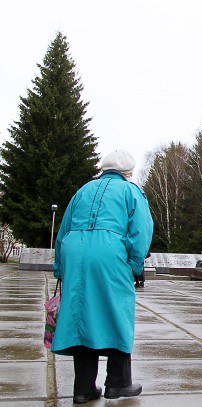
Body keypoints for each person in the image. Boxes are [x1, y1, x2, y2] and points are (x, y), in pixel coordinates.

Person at [51, 150, 153, 403]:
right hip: (110, 253)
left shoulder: (82, 191)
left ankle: (83, 388)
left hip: (75, 253)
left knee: (80, 313)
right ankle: (117, 383)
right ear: (128, 172)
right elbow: (141, 230)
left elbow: (63, 230)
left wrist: (61, 267)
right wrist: (134, 264)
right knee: (116, 311)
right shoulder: (131, 191)